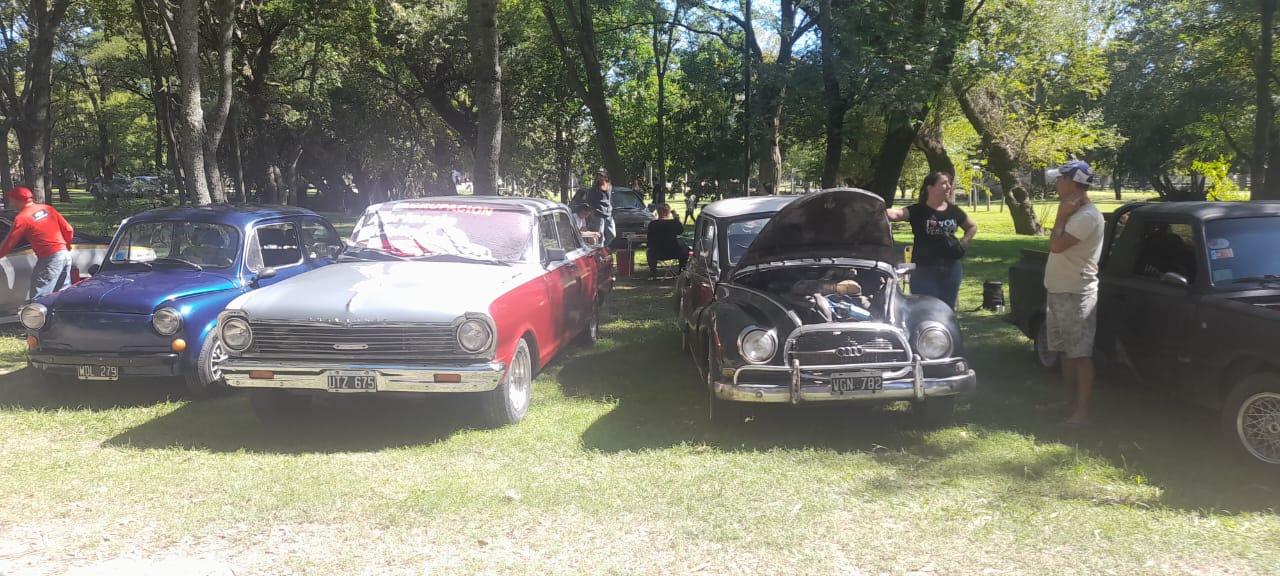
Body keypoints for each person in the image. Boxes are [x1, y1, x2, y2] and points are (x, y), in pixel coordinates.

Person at [1044, 160, 1105, 428]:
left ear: (1071, 182)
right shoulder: (1074, 212)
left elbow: (1056, 245)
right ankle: (1068, 403)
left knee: (1079, 354)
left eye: (1060, 179)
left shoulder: (1087, 216)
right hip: (1060, 290)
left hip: (1077, 293)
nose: (1056, 183)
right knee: (1064, 351)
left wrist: (1060, 216)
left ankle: (1082, 414)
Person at [885, 172, 977, 309]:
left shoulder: (954, 211)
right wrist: (878, 209)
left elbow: (972, 226)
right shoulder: (918, 210)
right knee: (925, 308)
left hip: (951, 268)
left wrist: (963, 243)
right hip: (924, 269)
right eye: (943, 183)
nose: (949, 186)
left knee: (947, 309)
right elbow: (897, 214)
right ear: (930, 188)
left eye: (949, 183)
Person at [0, 186, 76, 301]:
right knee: (61, 296)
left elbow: (8, 244)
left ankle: (39, 312)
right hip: (65, 255)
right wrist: (66, 245)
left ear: (17, 201)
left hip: (50, 259)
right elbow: (68, 229)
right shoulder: (47, 209)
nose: (9, 201)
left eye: (11, 199)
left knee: (39, 298)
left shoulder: (22, 218)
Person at [645, 203, 687, 279]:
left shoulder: (652, 224)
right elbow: (681, 230)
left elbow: (649, 239)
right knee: (685, 250)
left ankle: (653, 271)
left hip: (656, 253)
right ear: (668, 212)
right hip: (673, 252)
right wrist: (676, 217)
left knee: (649, 251)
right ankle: (682, 270)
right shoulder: (673, 223)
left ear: (658, 212)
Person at [585, 168, 616, 246]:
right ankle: (600, 250)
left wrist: (611, 207)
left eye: (601, 175)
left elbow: (611, 199)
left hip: (609, 214)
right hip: (598, 215)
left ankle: (604, 247)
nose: (600, 177)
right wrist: (593, 210)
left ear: (606, 177)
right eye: (598, 176)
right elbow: (589, 200)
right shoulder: (594, 189)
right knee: (600, 237)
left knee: (612, 234)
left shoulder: (610, 186)